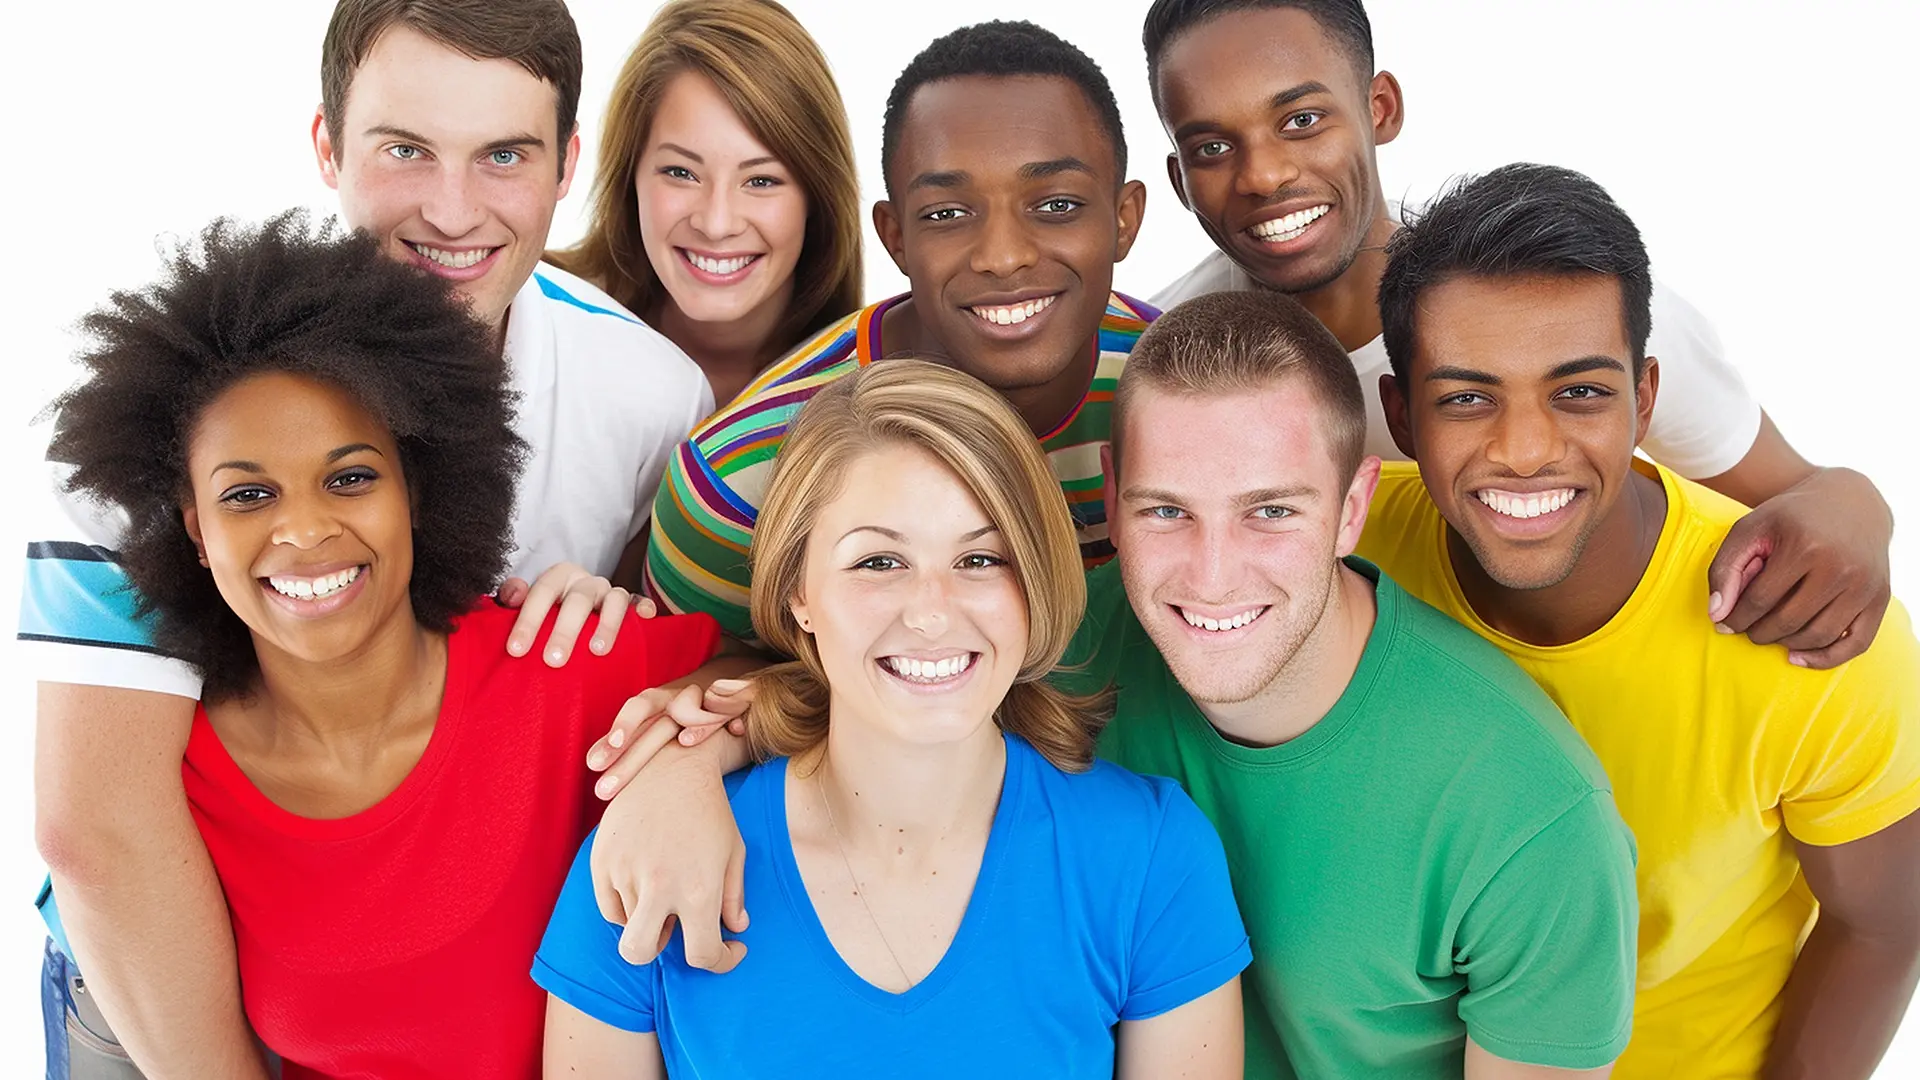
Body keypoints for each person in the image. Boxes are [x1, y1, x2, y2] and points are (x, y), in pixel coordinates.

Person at [582, 292, 1640, 1080]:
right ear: (1114, 500)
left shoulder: (1529, 814)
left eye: (1271, 510)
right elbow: (870, 672)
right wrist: (685, 768)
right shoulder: (1039, 636)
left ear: (1353, 507)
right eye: (1168, 512)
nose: (1212, 573)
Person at [21, 2, 711, 1075]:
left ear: (568, 163)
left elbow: (640, 700)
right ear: (327, 146)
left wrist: (680, 730)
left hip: (451, 982)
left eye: (504, 156)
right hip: (160, 973)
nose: (450, 209)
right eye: (403, 149)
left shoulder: (649, 396)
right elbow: (99, 833)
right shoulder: (161, 404)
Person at [1355, 163, 1920, 1079]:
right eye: (1466, 398)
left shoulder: (1809, 626)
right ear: (1401, 416)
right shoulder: (1336, 556)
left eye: (1579, 392)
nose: (1526, 450)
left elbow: (1882, 927)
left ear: (1646, 399)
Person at [534, 361, 1249, 1078]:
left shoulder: (1150, 855)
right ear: (798, 596)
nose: (933, 611)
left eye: (979, 558)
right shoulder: (644, 861)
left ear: (1033, 580)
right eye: (878, 562)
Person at [1141, 0, 1894, 669]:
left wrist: (1859, 506)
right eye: (1212, 147)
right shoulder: (1167, 359)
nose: (1265, 174)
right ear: (1179, 180)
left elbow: (1798, 489)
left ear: (1380, 107)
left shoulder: (1571, 306)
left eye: (1302, 120)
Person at [641, 19, 1152, 644]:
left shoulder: (1190, 398)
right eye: (946, 214)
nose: (1003, 256)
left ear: (1124, 219)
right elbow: (689, 693)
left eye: (1056, 205)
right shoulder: (737, 482)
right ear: (896, 237)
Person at [551, 0, 863, 412]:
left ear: (816, 196)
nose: (716, 224)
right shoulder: (534, 318)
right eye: (681, 173)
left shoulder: (871, 383)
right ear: (631, 176)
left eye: (761, 180)